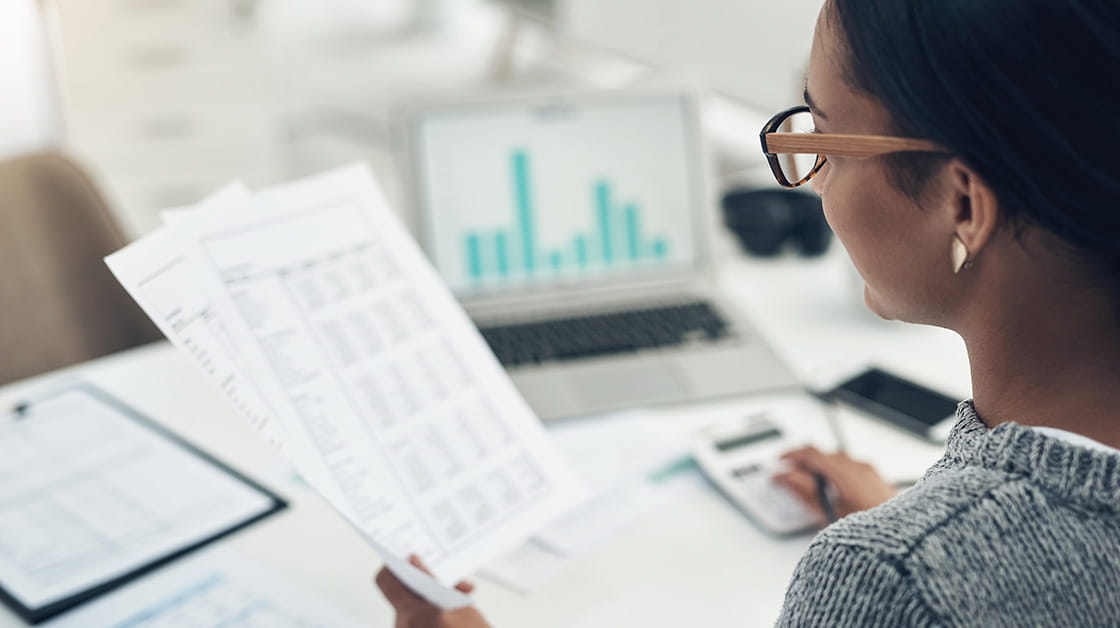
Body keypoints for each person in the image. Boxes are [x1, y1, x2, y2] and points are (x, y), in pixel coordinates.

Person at [376, 0, 1120, 624]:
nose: (813, 180)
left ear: (961, 203)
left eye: (824, 137)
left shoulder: (893, 580)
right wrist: (918, 515)